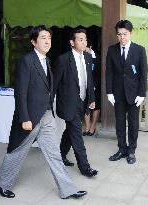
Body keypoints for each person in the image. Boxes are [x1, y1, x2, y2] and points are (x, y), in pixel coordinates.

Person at [0, 25, 87, 199]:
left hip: (46, 115)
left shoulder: (47, 60)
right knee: (17, 151)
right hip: (30, 117)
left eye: (49, 38)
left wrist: (50, 110)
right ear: (33, 42)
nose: (47, 41)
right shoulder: (26, 61)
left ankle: (68, 190)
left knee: (54, 154)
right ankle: (1, 183)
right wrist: (24, 118)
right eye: (43, 38)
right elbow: (20, 92)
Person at [54, 28, 98, 177]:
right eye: (80, 39)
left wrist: (91, 99)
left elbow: (89, 80)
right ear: (72, 42)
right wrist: (48, 105)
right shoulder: (63, 59)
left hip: (83, 101)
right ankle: (85, 168)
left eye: (85, 39)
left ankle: (59, 155)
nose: (84, 42)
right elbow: (55, 84)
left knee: (70, 131)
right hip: (69, 104)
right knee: (77, 134)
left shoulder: (87, 57)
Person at [106, 20, 147, 164]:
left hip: (134, 94)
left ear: (131, 33)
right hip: (117, 94)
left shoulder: (139, 50)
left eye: (125, 34)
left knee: (134, 123)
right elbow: (109, 72)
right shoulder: (112, 50)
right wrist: (109, 92)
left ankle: (131, 150)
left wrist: (142, 94)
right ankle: (122, 149)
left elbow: (143, 74)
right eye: (119, 34)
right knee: (120, 123)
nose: (122, 37)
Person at [83, 45, 101, 136]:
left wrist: (95, 85)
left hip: (95, 86)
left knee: (95, 106)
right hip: (84, 86)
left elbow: (100, 74)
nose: (83, 50)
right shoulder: (81, 56)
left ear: (90, 47)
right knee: (86, 106)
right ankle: (87, 127)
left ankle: (92, 127)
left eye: (85, 48)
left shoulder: (98, 57)